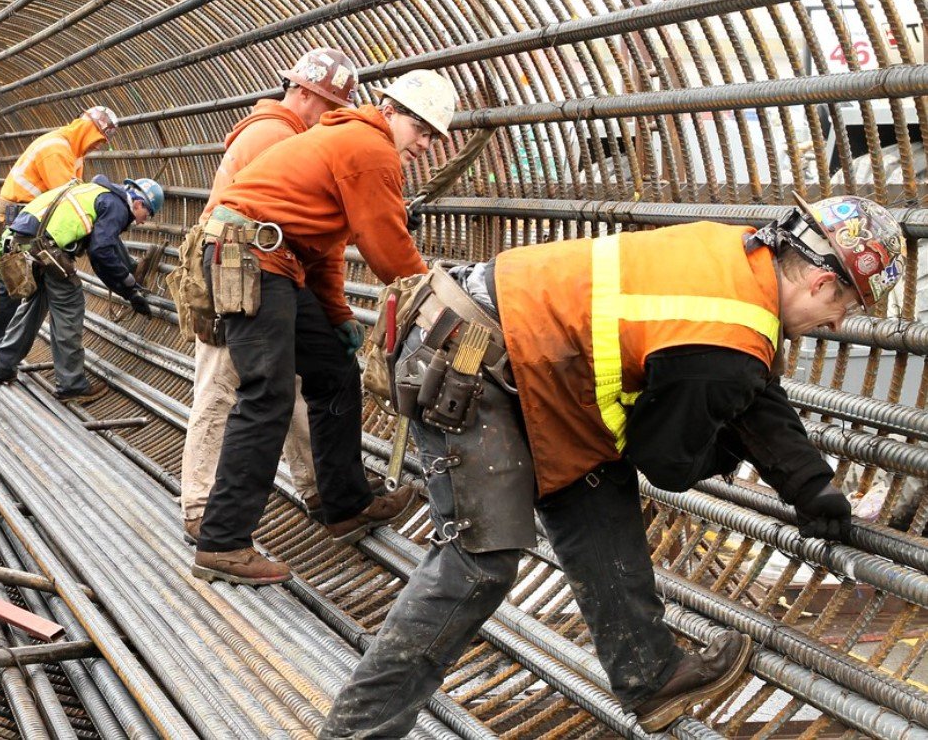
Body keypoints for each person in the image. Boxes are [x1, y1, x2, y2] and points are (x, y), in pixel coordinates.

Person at [321, 194, 906, 736]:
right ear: (825, 281)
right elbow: (668, 460)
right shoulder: (728, 330)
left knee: (591, 478)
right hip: (473, 357)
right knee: (479, 564)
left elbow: (751, 387)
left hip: (523, 363)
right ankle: (356, 731)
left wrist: (811, 487)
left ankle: (651, 678)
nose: (834, 325)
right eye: (845, 307)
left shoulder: (738, 256)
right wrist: (727, 451)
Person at [190, 69, 460, 586]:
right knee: (266, 394)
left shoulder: (346, 140)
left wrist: (336, 316)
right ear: (391, 111)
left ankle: (346, 504)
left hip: (276, 259)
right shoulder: (369, 146)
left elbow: (327, 247)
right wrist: (435, 306)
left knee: (335, 371)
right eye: (421, 130)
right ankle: (222, 543)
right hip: (249, 256)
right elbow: (388, 246)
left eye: (432, 137)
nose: (424, 145)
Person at [181, 48, 360, 544]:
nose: (332, 119)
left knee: (287, 385)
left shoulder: (288, 134)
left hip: (260, 272)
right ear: (301, 92)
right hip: (237, 269)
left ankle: (317, 486)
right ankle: (200, 507)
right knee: (223, 383)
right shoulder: (274, 135)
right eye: (327, 106)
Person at [0, 175, 163, 403]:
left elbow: (109, 244)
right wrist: (130, 290)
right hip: (45, 249)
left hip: (25, 243)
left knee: (34, 308)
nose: (143, 222)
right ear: (138, 203)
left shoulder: (97, 193)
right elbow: (101, 252)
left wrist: (127, 279)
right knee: (69, 308)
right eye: (148, 214)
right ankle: (71, 385)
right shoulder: (116, 206)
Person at [0, 106, 119, 362]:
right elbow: (67, 198)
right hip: (18, 214)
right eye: (99, 140)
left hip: (31, 217)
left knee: (27, 282)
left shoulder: (74, 152)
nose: (98, 146)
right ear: (87, 130)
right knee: (11, 280)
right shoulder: (56, 149)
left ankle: (1, 354)